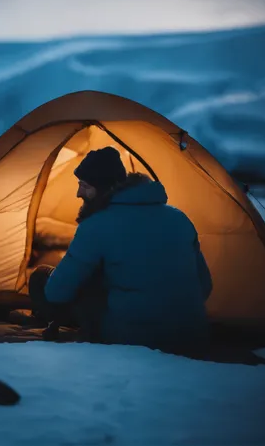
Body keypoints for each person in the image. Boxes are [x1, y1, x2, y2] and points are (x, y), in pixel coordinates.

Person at [29, 146, 213, 349]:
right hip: (192, 334)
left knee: (41, 278)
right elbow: (205, 286)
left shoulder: (96, 225)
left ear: (104, 189)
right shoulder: (179, 217)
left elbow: (56, 293)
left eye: (85, 186)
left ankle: (77, 329)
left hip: (132, 337)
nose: (78, 193)